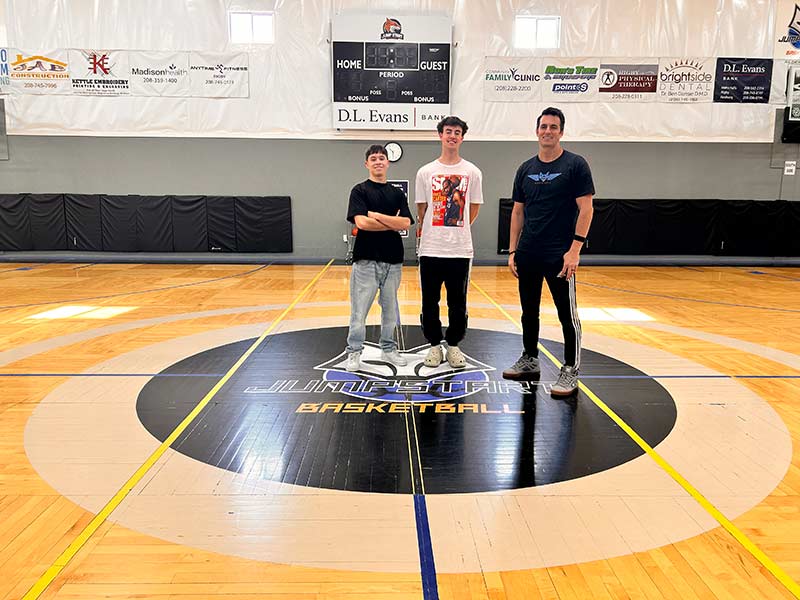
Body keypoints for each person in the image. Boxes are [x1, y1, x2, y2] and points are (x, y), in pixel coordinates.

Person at [503, 107, 595, 396]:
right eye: (543, 126)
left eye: (553, 127)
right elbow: (518, 212)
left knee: (567, 315)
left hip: (560, 255)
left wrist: (574, 250)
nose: (547, 131)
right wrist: (513, 250)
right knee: (528, 312)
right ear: (536, 131)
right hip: (528, 252)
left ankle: (570, 369)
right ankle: (530, 358)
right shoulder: (525, 169)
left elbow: (587, 209)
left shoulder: (575, 165)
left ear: (561, 132)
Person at [415, 116, 483, 369]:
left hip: (460, 250)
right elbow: (422, 209)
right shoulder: (425, 172)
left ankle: (453, 345)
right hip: (431, 249)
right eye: (448, 131)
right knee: (429, 301)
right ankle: (434, 345)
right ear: (440, 135)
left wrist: (458, 226)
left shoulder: (472, 172)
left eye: (457, 132)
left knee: (458, 302)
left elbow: (473, 208)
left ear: (462, 137)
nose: (452, 136)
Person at [344, 144, 414, 372]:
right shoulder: (359, 191)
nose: (377, 162)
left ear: (388, 163)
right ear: (367, 164)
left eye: (381, 158)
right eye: (373, 158)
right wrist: (391, 222)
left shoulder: (397, 194)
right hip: (366, 259)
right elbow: (362, 223)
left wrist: (375, 216)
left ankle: (388, 348)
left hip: (393, 260)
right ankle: (354, 351)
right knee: (359, 310)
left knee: (391, 310)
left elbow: (406, 223)